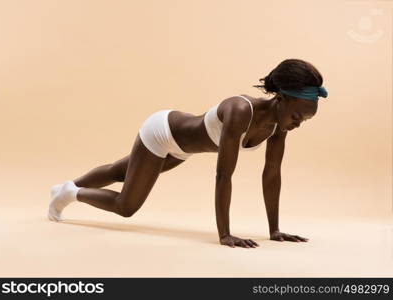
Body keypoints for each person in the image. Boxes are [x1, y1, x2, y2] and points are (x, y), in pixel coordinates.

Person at [48, 58, 328, 248]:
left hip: (181, 150)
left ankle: (65, 189)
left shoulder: (278, 126)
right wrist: (225, 234)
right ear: (280, 99)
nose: (297, 124)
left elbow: (272, 175)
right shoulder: (241, 110)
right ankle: (68, 193)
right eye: (296, 116)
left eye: (303, 121)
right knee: (126, 206)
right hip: (162, 131)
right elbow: (223, 175)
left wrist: (274, 230)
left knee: (117, 172)